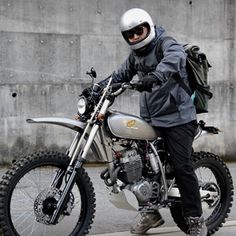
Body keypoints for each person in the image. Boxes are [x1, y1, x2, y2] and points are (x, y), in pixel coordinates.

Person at [99, 8, 207, 236]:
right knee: (136, 166)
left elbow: (175, 57)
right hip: (151, 119)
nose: (136, 37)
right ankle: (150, 213)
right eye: (131, 34)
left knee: (182, 167)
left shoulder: (164, 42)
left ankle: (196, 219)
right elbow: (120, 76)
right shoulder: (135, 56)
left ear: (148, 27)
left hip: (178, 118)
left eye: (139, 31)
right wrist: (98, 88)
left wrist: (156, 75)